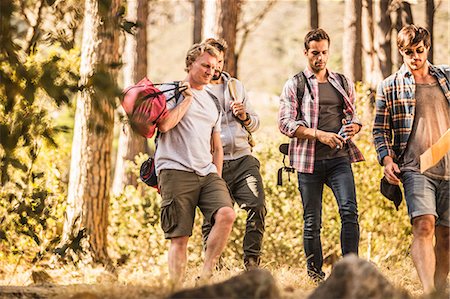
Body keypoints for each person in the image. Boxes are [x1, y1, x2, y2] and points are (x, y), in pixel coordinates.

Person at [278, 28, 364, 282]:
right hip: (308, 162)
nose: (320, 58)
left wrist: (355, 127)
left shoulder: (342, 82)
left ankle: (350, 272)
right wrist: (319, 134)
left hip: (339, 158)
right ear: (306, 53)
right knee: (312, 221)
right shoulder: (295, 84)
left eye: (324, 52)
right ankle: (315, 276)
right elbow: (285, 124)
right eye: (315, 53)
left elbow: (354, 116)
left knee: (349, 211)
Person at [373, 24, 449, 294]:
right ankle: (429, 291)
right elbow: (380, 130)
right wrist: (387, 160)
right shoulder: (390, 86)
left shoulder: (447, 77)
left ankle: (440, 290)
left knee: (446, 235)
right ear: (401, 52)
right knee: (424, 223)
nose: (415, 57)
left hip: (448, 165)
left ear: (427, 48)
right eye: (408, 52)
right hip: (416, 167)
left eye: (419, 50)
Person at [155, 43, 236, 287]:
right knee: (180, 237)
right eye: (205, 65)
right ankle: (176, 288)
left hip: (207, 172)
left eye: (214, 67)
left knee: (226, 214)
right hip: (175, 169)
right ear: (190, 64)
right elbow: (164, 125)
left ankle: (206, 274)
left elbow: (217, 146)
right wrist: (186, 100)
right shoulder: (171, 90)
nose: (210, 71)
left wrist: (218, 178)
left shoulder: (212, 100)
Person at [202, 38, 266, 270]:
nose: (216, 67)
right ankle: (212, 267)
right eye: (211, 62)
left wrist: (245, 117)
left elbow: (256, 122)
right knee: (213, 216)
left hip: (243, 158)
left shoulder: (235, 86)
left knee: (257, 205)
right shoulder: (198, 90)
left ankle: (251, 263)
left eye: (219, 61)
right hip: (212, 162)